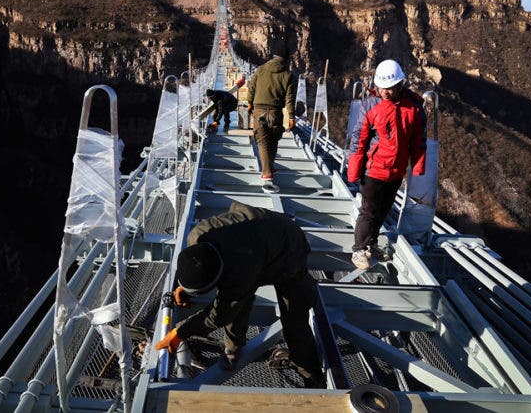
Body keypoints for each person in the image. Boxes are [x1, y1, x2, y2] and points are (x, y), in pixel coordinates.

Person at [155, 201, 327, 388]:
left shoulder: (241, 269)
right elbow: (224, 294)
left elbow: (220, 315)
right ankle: (233, 347)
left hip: (289, 245)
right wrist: (185, 288)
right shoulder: (196, 237)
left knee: (295, 322)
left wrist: (179, 332)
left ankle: (313, 380)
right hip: (255, 228)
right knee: (236, 299)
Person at [346, 59, 427, 269]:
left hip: (395, 172)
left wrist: (418, 166)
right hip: (373, 170)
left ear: (400, 85)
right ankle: (359, 250)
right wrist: (354, 169)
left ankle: (370, 244)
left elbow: (419, 140)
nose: (385, 92)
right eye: (382, 88)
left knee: (383, 211)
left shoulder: (415, 108)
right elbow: (359, 139)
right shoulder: (371, 106)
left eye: (390, 88)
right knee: (369, 210)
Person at [246, 40, 296, 193]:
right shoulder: (289, 76)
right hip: (275, 112)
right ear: (286, 59)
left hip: (258, 110)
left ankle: (267, 171)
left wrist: (249, 103)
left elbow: (251, 87)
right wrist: (292, 117)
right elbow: (289, 98)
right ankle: (268, 169)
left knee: (262, 141)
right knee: (273, 140)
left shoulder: (260, 70)